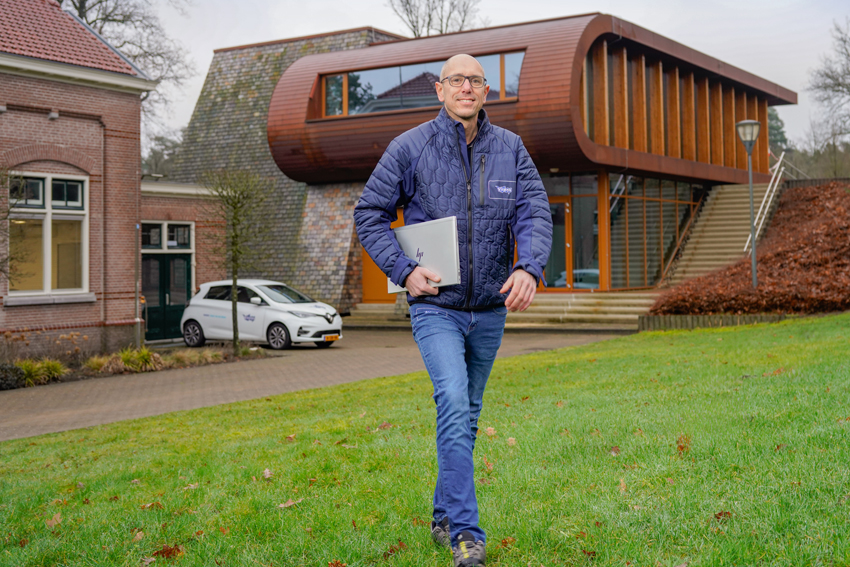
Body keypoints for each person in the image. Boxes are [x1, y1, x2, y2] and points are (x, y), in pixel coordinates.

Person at [353, 53, 552, 567]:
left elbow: (533, 209)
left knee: (467, 413)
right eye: (457, 80)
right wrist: (402, 270)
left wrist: (528, 266)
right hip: (435, 306)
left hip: (490, 307)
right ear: (440, 90)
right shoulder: (409, 147)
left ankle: (442, 516)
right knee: (453, 397)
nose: (467, 87)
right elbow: (369, 212)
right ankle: (466, 534)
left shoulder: (511, 149)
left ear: (486, 92)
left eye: (476, 81)